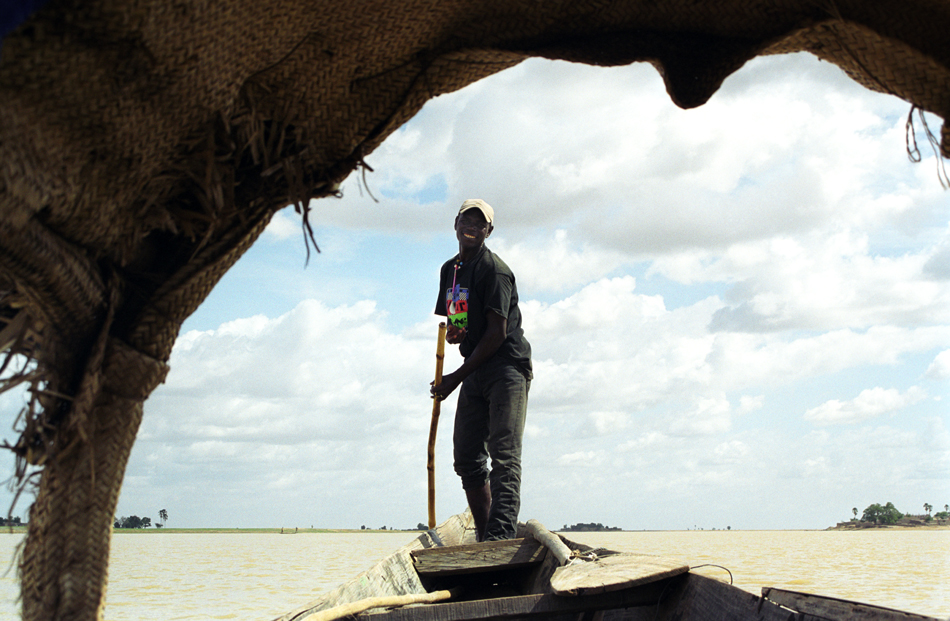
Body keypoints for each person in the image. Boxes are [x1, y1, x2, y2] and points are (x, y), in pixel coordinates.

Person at [430, 199, 532, 541]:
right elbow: (459, 323)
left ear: (489, 231)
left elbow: (496, 333)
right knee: (466, 457)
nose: (471, 226)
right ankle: (486, 532)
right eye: (466, 220)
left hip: (505, 365)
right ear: (455, 224)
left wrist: (455, 378)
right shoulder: (452, 270)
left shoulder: (495, 270)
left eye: (480, 223)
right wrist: (458, 332)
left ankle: (500, 537)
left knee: (503, 452)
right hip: (474, 364)